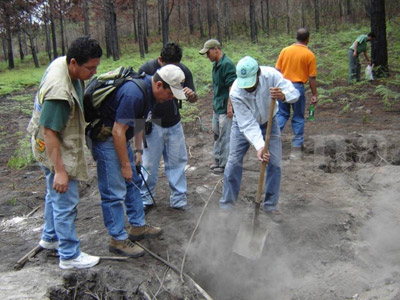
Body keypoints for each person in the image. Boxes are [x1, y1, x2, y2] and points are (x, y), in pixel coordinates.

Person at [89, 64, 186, 257]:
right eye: (170, 94)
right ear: (159, 85)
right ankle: (117, 239)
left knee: (133, 181)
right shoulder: (134, 94)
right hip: (107, 137)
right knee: (113, 190)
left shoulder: (149, 92)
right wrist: (125, 164)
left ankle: (138, 227)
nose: (171, 98)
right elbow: (118, 131)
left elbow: (139, 121)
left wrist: (138, 151)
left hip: (120, 137)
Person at [27, 37, 103, 269]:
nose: (94, 72)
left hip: (43, 144)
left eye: (96, 66)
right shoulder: (59, 92)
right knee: (65, 200)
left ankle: (50, 238)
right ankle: (69, 255)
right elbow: (50, 132)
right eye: (90, 68)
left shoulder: (63, 64)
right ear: (73, 63)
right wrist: (59, 170)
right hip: (52, 146)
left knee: (53, 195)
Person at [219, 56, 299, 223]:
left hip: (270, 122)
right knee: (233, 163)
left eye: (251, 82)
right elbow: (247, 124)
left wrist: (283, 96)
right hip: (242, 126)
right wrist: (260, 147)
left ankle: (270, 206)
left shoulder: (271, 76)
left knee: (275, 163)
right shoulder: (236, 91)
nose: (247, 88)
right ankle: (227, 205)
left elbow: (295, 94)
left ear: (258, 74)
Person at [138, 42, 197, 212]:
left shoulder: (183, 71)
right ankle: (146, 198)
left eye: (176, 66)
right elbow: (138, 105)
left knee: (178, 161)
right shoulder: (146, 69)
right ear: (160, 60)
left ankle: (178, 199)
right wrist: (139, 133)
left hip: (174, 121)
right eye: (168, 65)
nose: (173, 69)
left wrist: (191, 96)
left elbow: (193, 98)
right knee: (149, 164)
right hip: (152, 123)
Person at [275, 28, 318, 155]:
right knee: (298, 116)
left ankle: (272, 139)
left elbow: (277, 70)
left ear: (296, 37)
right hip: (297, 87)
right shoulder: (309, 55)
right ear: (308, 39)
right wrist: (314, 94)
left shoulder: (285, 50)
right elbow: (312, 77)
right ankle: (296, 148)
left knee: (282, 114)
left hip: (283, 85)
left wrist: (277, 87)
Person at [199, 39, 237, 174]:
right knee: (216, 134)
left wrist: (230, 106)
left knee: (225, 136)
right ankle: (217, 160)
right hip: (217, 106)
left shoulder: (227, 64)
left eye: (208, 53)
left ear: (216, 49)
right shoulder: (215, 65)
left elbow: (232, 86)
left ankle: (224, 163)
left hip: (225, 108)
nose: (207, 56)